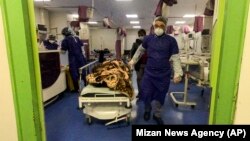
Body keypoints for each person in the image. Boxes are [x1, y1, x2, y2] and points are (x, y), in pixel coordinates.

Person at [129, 16, 183, 125]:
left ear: (165, 27)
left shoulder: (171, 41)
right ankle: (147, 109)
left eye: (161, 26)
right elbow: (140, 51)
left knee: (160, 95)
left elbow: (176, 57)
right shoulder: (148, 39)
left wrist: (178, 73)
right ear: (153, 26)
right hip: (149, 73)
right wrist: (133, 61)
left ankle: (157, 114)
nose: (158, 28)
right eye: (156, 26)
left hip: (164, 74)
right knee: (147, 92)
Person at [61, 27, 87, 92]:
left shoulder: (65, 40)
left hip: (73, 59)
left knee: (74, 73)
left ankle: (77, 89)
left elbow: (63, 51)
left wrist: (59, 50)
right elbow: (82, 48)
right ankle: (86, 86)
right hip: (81, 58)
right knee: (83, 72)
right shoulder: (77, 38)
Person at [130, 29, 147, 99]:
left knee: (146, 79)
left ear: (145, 35)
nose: (141, 36)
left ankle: (146, 93)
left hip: (147, 64)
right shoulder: (135, 44)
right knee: (139, 78)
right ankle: (140, 93)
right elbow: (132, 54)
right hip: (139, 65)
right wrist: (133, 62)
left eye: (142, 35)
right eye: (140, 35)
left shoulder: (148, 43)